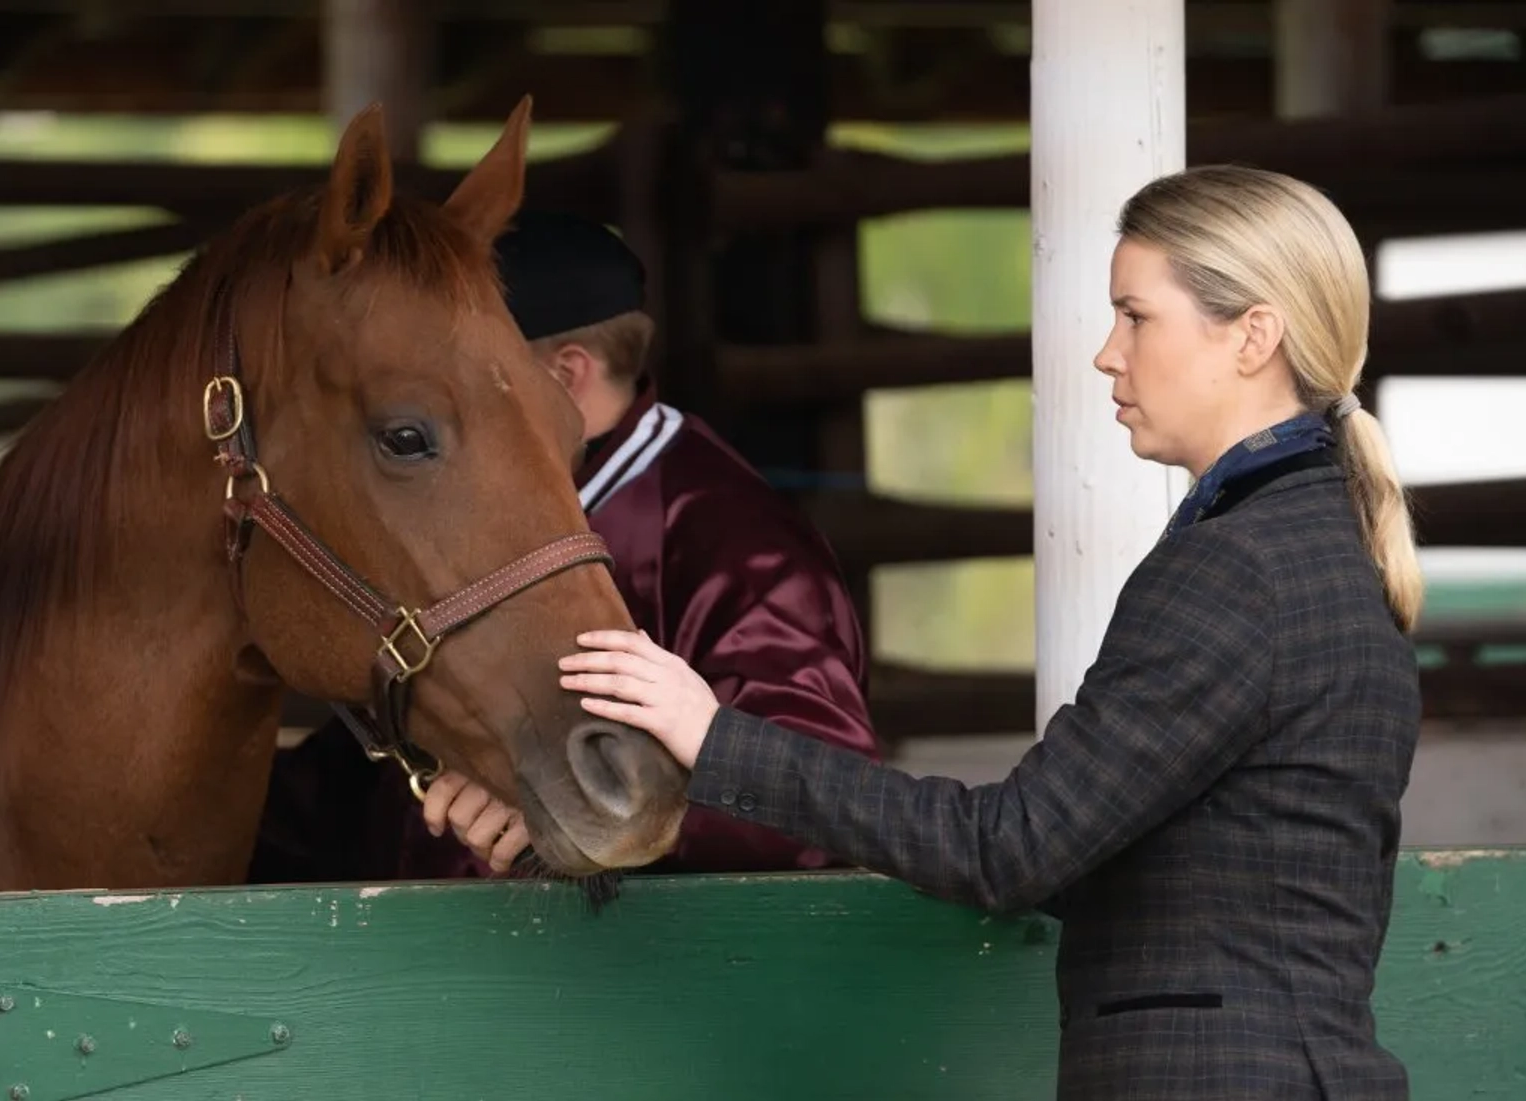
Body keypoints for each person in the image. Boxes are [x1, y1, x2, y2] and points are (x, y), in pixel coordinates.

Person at [444, 167, 1424, 1100]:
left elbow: (1009, 850)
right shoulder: (1308, 546)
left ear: (1253, 336)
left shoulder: (1236, 569)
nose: (1106, 352)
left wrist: (711, 738)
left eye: (1135, 315)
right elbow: (1141, 870)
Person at [247, 208, 879, 884]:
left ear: (567, 375)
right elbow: (355, 783)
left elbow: (818, 795)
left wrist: (600, 811)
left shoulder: (744, 548)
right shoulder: (493, 526)